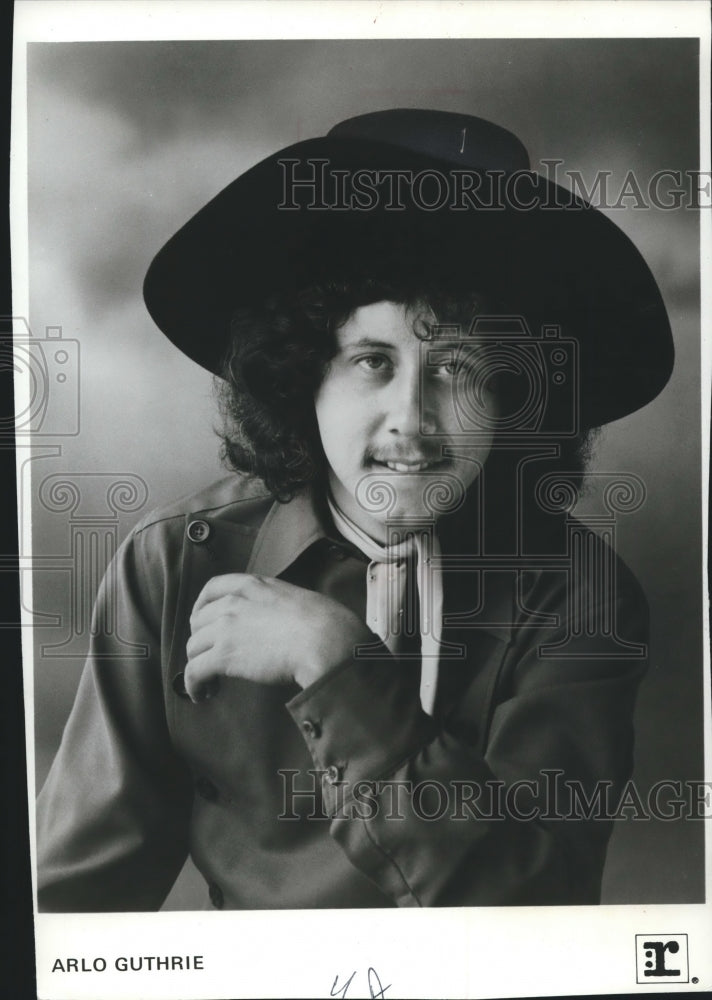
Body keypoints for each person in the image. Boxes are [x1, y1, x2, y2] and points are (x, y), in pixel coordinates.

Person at [37, 109, 674, 910]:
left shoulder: (577, 594)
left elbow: (530, 910)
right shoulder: (173, 562)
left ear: (517, 395)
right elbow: (70, 910)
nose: (412, 417)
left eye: (460, 368)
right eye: (373, 362)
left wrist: (340, 667)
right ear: (302, 376)